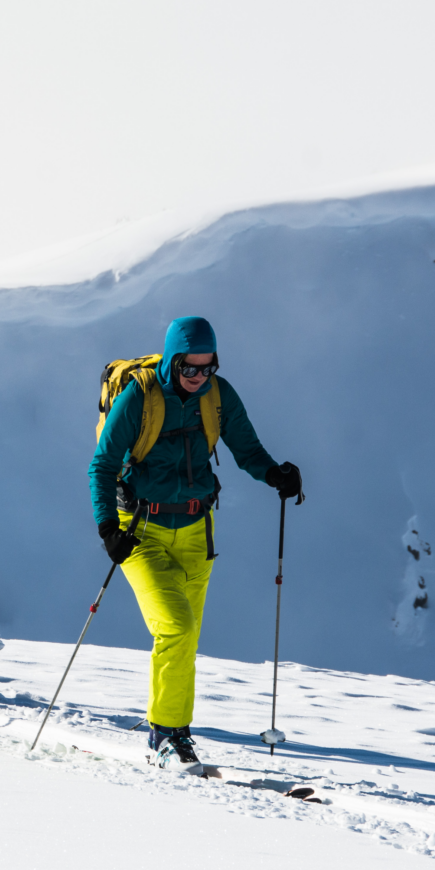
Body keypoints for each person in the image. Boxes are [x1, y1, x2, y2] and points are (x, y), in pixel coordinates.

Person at [88, 316, 301, 771]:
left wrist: (275, 474)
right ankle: (165, 735)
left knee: (185, 637)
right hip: (140, 531)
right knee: (176, 627)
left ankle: (175, 731)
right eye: (190, 369)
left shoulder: (218, 395)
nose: (199, 378)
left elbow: (247, 450)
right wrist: (108, 528)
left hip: (196, 530)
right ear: (172, 360)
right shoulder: (139, 397)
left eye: (208, 368)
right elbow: (102, 465)